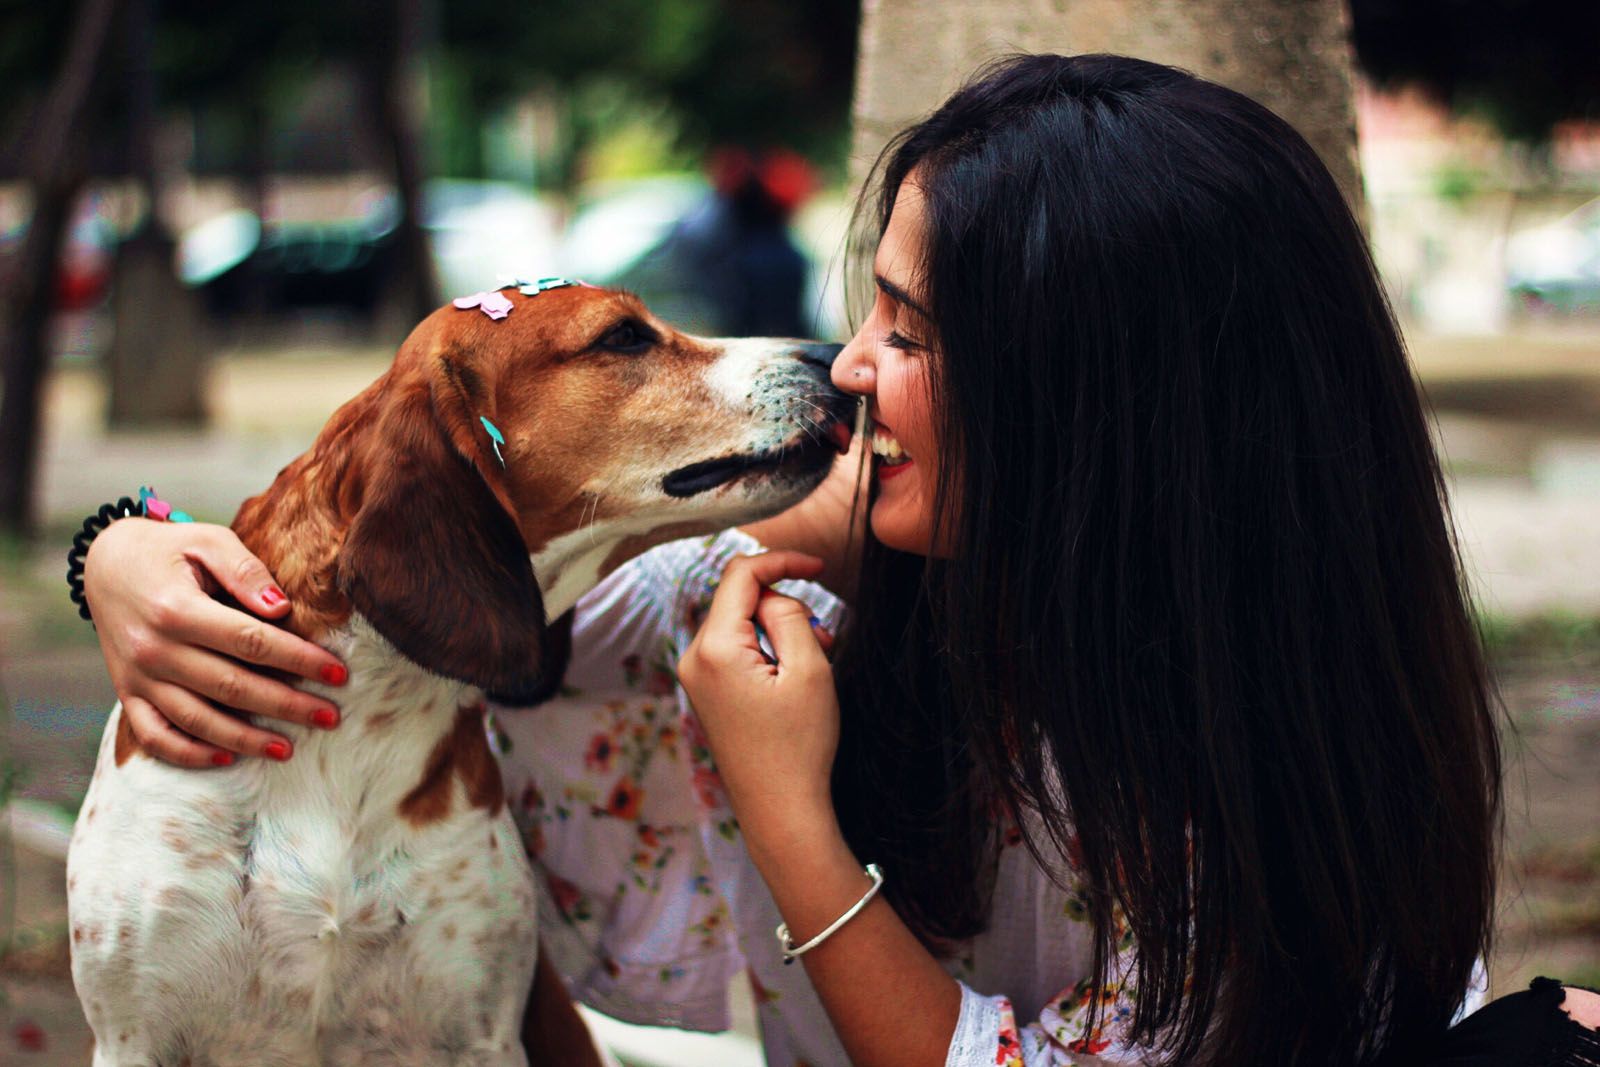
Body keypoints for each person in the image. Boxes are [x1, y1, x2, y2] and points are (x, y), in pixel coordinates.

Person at [81, 55, 1599, 1066]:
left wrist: (787, 807)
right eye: (868, 310)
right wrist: (125, 552)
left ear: (1098, 408)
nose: (849, 366)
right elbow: (445, 582)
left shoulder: (1260, 747)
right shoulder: (803, 580)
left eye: (914, 335)